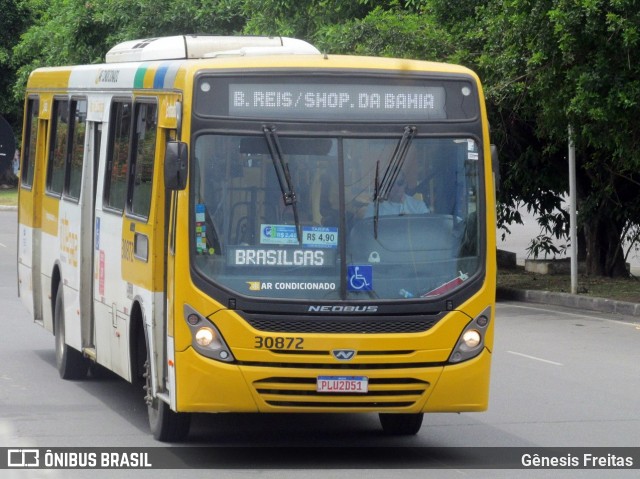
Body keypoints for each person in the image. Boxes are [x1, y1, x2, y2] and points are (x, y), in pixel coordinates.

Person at [363, 171, 429, 217]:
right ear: (385, 186)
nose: (396, 187)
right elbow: (369, 231)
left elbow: (427, 230)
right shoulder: (375, 209)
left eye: (400, 183)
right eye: (391, 184)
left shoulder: (418, 207)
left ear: (405, 184)